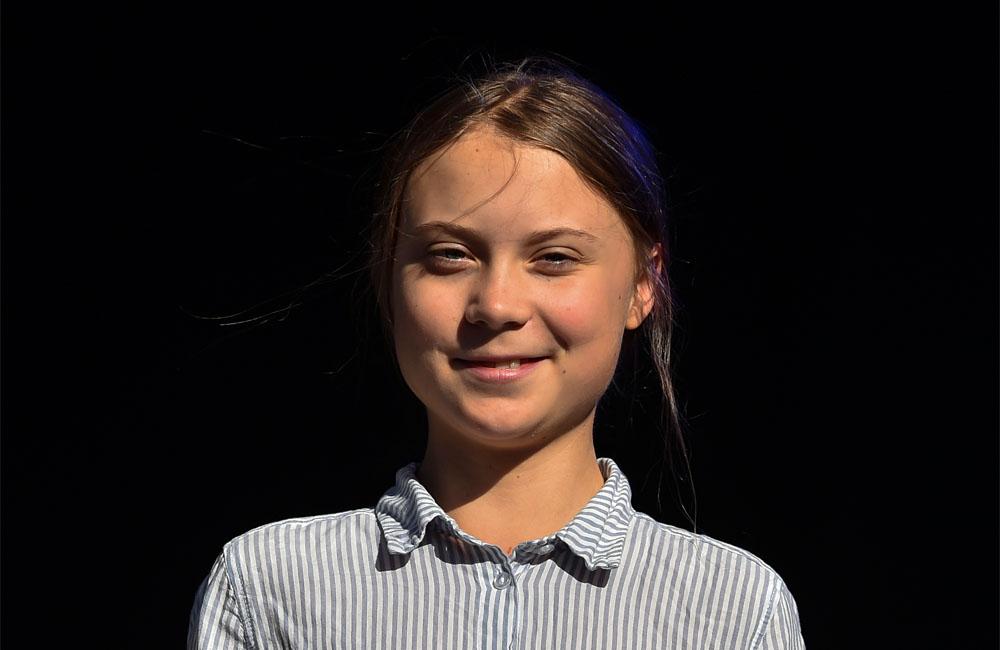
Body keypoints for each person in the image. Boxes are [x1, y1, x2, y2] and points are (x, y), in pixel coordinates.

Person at [187, 55, 806, 649]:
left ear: (644, 284)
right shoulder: (270, 589)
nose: (497, 304)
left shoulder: (733, 611)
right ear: (388, 280)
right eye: (450, 255)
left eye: (554, 258)